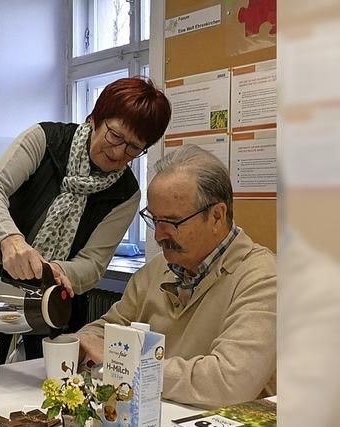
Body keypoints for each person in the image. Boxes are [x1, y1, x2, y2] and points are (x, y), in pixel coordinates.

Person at [0, 77, 171, 362]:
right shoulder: (44, 140)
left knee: (47, 389)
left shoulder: (126, 193)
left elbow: (93, 264)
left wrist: (55, 270)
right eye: (115, 136)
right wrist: (10, 240)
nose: (118, 152)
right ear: (95, 118)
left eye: (133, 148)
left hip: (53, 302)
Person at [75, 145, 276, 409]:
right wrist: (80, 343)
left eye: (172, 222)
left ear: (217, 216)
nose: (159, 235)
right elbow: (103, 332)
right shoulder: (156, 270)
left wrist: (127, 361)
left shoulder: (264, 279)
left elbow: (228, 382)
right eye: (154, 220)